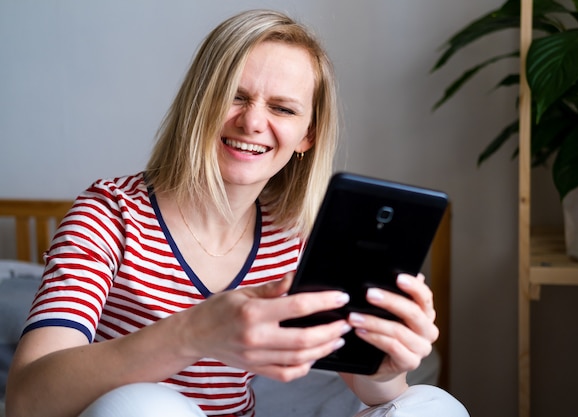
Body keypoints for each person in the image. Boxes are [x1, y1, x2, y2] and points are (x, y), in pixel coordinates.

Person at [6, 9, 469, 417]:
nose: (252, 122)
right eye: (235, 95)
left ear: (306, 136)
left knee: (433, 405)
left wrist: (383, 365)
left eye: (283, 108)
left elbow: (370, 393)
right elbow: (27, 401)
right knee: (143, 406)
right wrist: (195, 332)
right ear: (198, 102)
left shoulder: (296, 238)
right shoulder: (110, 214)